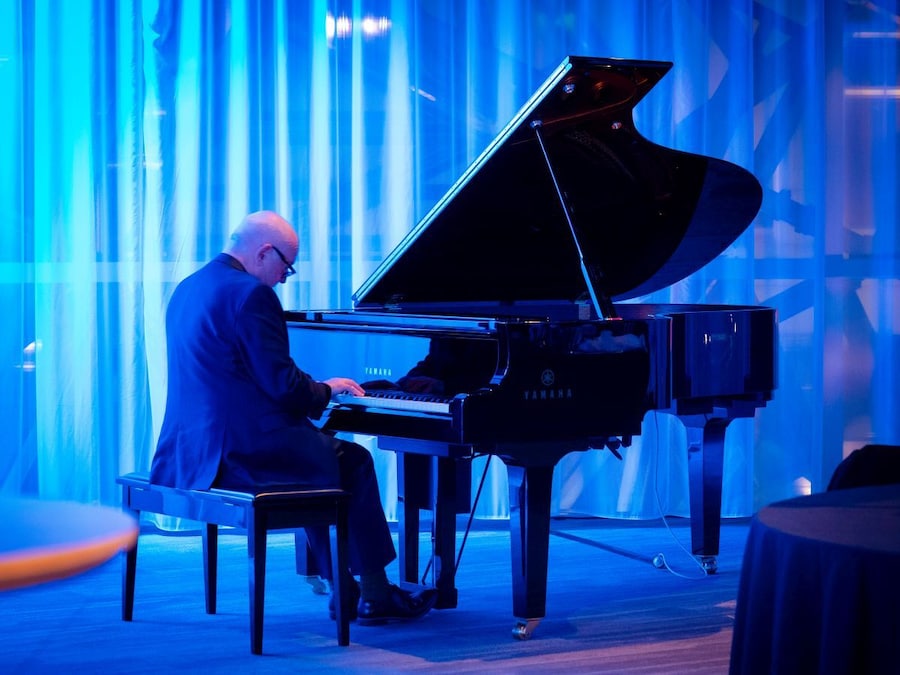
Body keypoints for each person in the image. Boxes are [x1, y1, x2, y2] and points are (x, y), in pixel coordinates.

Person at [149, 210, 436, 624]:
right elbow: (283, 385)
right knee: (350, 461)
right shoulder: (251, 294)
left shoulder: (189, 288)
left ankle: (345, 589)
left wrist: (312, 391)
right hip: (238, 454)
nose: (285, 277)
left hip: (192, 449)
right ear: (265, 251)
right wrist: (325, 389)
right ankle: (374, 593)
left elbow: (243, 375)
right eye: (286, 266)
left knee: (317, 458)